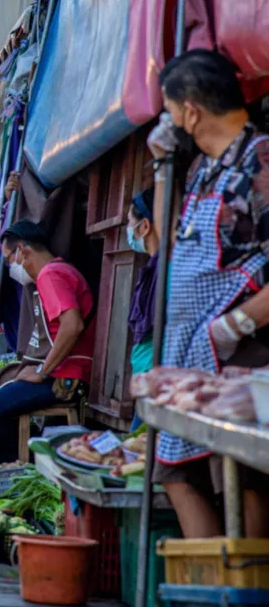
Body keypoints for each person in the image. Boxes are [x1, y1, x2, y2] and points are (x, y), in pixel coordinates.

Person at [147, 49, 269, 539]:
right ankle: (212, 587)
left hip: (247, 349)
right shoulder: (199, 169)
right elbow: (165, 248)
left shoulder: (261, 161)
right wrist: (161, 169)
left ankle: (244, 588)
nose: (169, 120)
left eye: (169, 109)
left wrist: (235, 324)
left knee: (242, 479)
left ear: (190, 111)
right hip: (190, 351)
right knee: (176, 475)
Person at [0, 220, 95, 472]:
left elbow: (72, 324)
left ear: (22, 250)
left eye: (9, 258)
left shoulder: (51, 275)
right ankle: (11, 462)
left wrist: (43, 371)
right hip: (54, 371)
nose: (9, 266)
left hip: (63, 378)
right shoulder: (54, 273)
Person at [126, 189, 159, 430]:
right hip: (146, 378)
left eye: (129, 222)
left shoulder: (165, 268)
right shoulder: (153, 267)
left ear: (144, 226)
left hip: (155, 382)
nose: (128, 230)